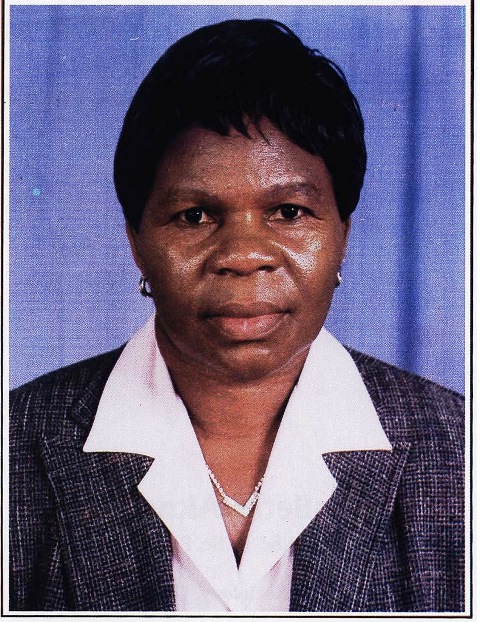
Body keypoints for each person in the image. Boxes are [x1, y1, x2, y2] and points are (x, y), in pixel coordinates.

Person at [9, 19, 464, 612]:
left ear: (343, 235)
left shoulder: (460, 451)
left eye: (289, 212)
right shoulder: (15, 445)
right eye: (195, 216)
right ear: (136, 241)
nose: (244, 255)